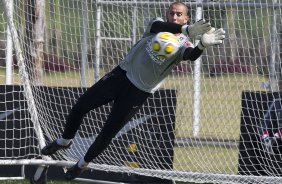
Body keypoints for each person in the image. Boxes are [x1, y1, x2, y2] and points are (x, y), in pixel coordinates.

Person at [41, 1, 225, 180]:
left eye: (179, 14)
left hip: (139, 92)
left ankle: (81, 165)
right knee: (80, 107)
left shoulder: (184, 44)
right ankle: (64, 141)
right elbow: (160, 25)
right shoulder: (157, 25)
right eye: (172, 13)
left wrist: (201, 45)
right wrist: (186, 30)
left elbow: (191, 56)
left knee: (107, 134)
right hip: (120, 76)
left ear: (187, 18)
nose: (174, 16)